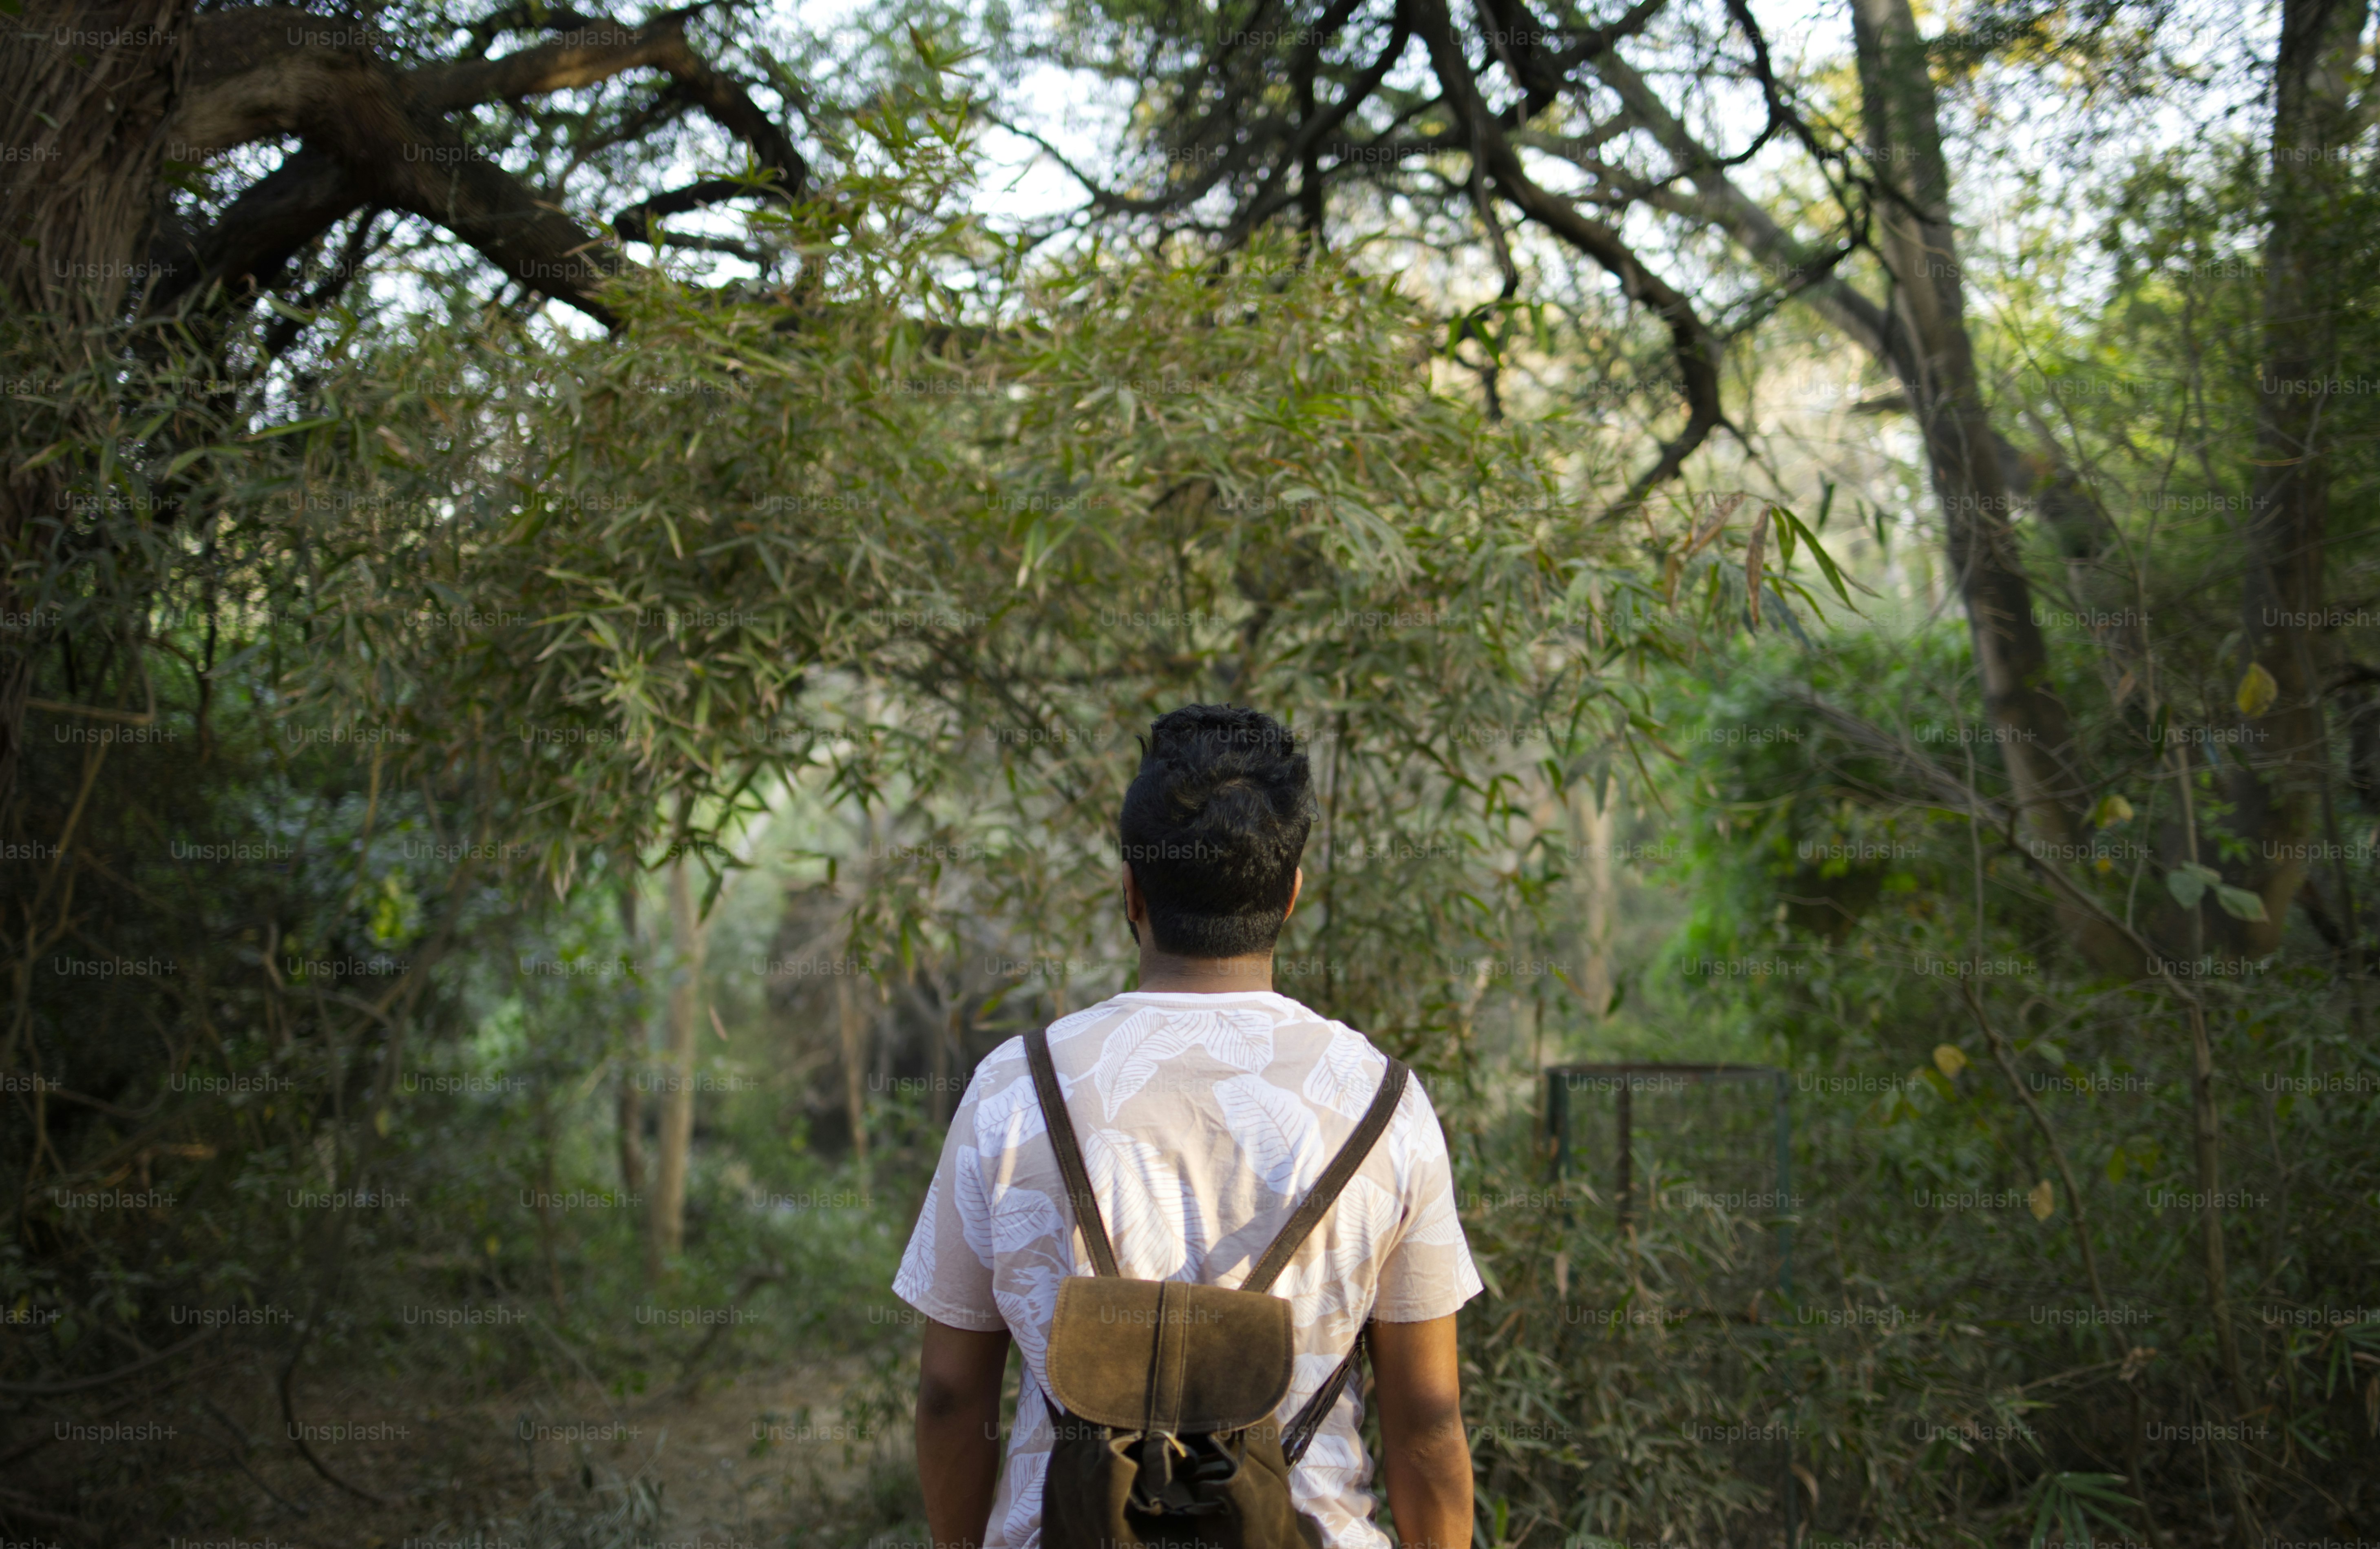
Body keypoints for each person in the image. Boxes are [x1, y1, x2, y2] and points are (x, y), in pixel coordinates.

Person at [892, 703, 1481, 1548]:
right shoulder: (1383, 1101)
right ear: (1291, 893)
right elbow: (1426, 1420)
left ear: (1130, 889)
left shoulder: (1014, 1089)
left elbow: (952, 1394)